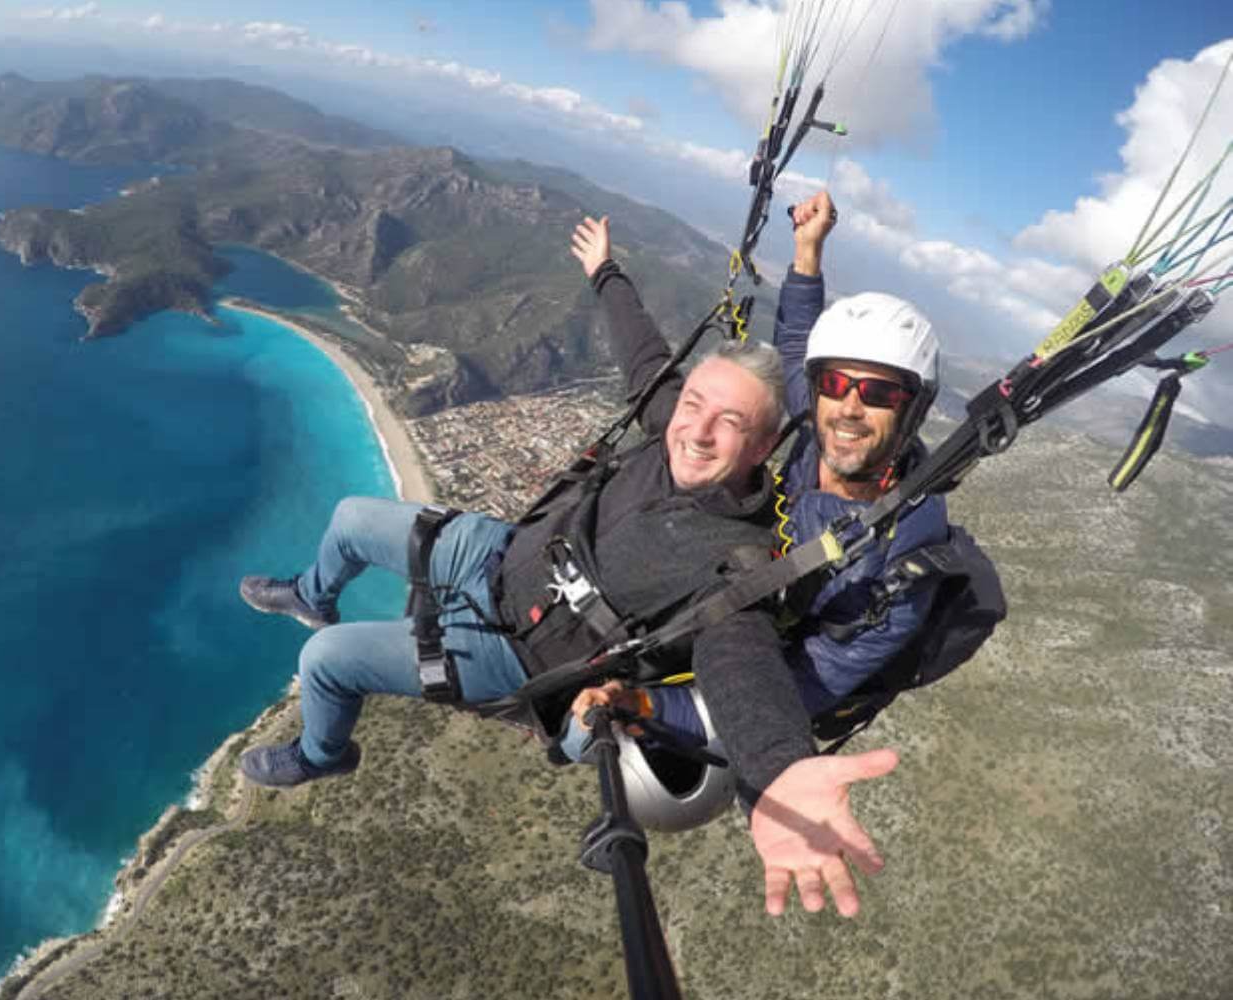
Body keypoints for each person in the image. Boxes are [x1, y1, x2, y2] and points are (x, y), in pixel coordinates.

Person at [234, 208, 899, 916]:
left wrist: (777, 772)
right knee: (349, 519)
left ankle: (320, 753)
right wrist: (606, 271)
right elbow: (646, 355)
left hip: (520, 653)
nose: (697, 429)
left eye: (729, 424)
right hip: (505, 555)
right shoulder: (672, 423)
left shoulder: (738, 561)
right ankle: (312, 592)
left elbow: (742, 667)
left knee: (327, 662)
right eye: (695, 404)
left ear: (764, 448)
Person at [567, 190, 951, 759]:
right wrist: (807, 250)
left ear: (913, 409)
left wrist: (644, 706)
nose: (848, 407)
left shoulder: (898, 575)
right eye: (837, 385)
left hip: (725, 673)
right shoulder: (820, 418)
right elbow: (798, 341)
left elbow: (785, 695)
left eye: (878, 393)